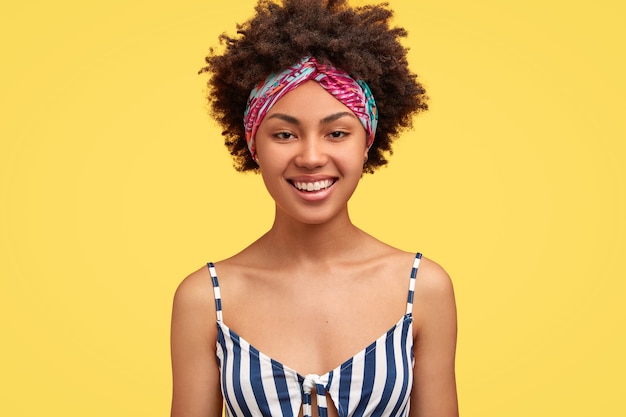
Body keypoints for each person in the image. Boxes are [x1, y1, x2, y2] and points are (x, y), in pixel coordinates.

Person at [170, 0, 458, 416]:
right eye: (284, 134)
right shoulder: (204, 298)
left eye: (337, 132)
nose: (310, 157)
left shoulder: (423, 289)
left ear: (367, 143)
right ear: (254, 145)